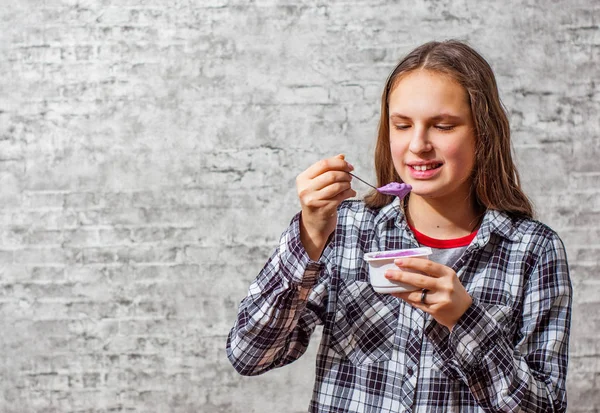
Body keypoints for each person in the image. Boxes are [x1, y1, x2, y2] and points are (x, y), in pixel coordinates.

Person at [226, 40, 572, 412]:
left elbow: (544, 407)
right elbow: (251, 355)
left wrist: (464, 319)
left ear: (482, 134)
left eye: (442, 126)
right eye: (403, 125)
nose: (418, 144)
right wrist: (309, 236)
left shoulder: (533, 251)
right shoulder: (346, 231)